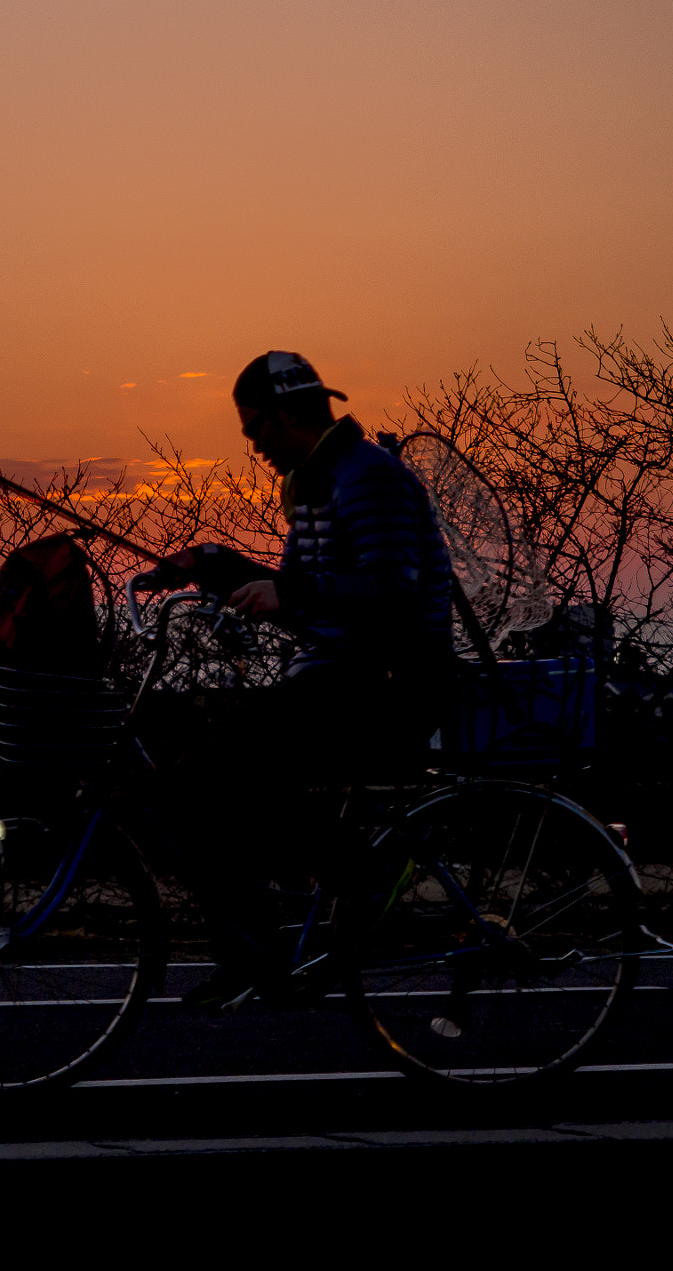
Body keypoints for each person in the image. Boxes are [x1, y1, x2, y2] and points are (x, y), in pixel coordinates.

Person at [170, 351, 455, 1008]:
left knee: (206, 782)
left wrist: (286, 596)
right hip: (342, 679)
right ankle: (254, 956)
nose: (254, 446)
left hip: (390, 685)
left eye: (255, 429)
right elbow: (300, 590)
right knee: (202, 783)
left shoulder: (368, 477)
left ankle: (359, 872)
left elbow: (393, 588)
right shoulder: (319, 481)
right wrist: (209, 565)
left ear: (288, 415)